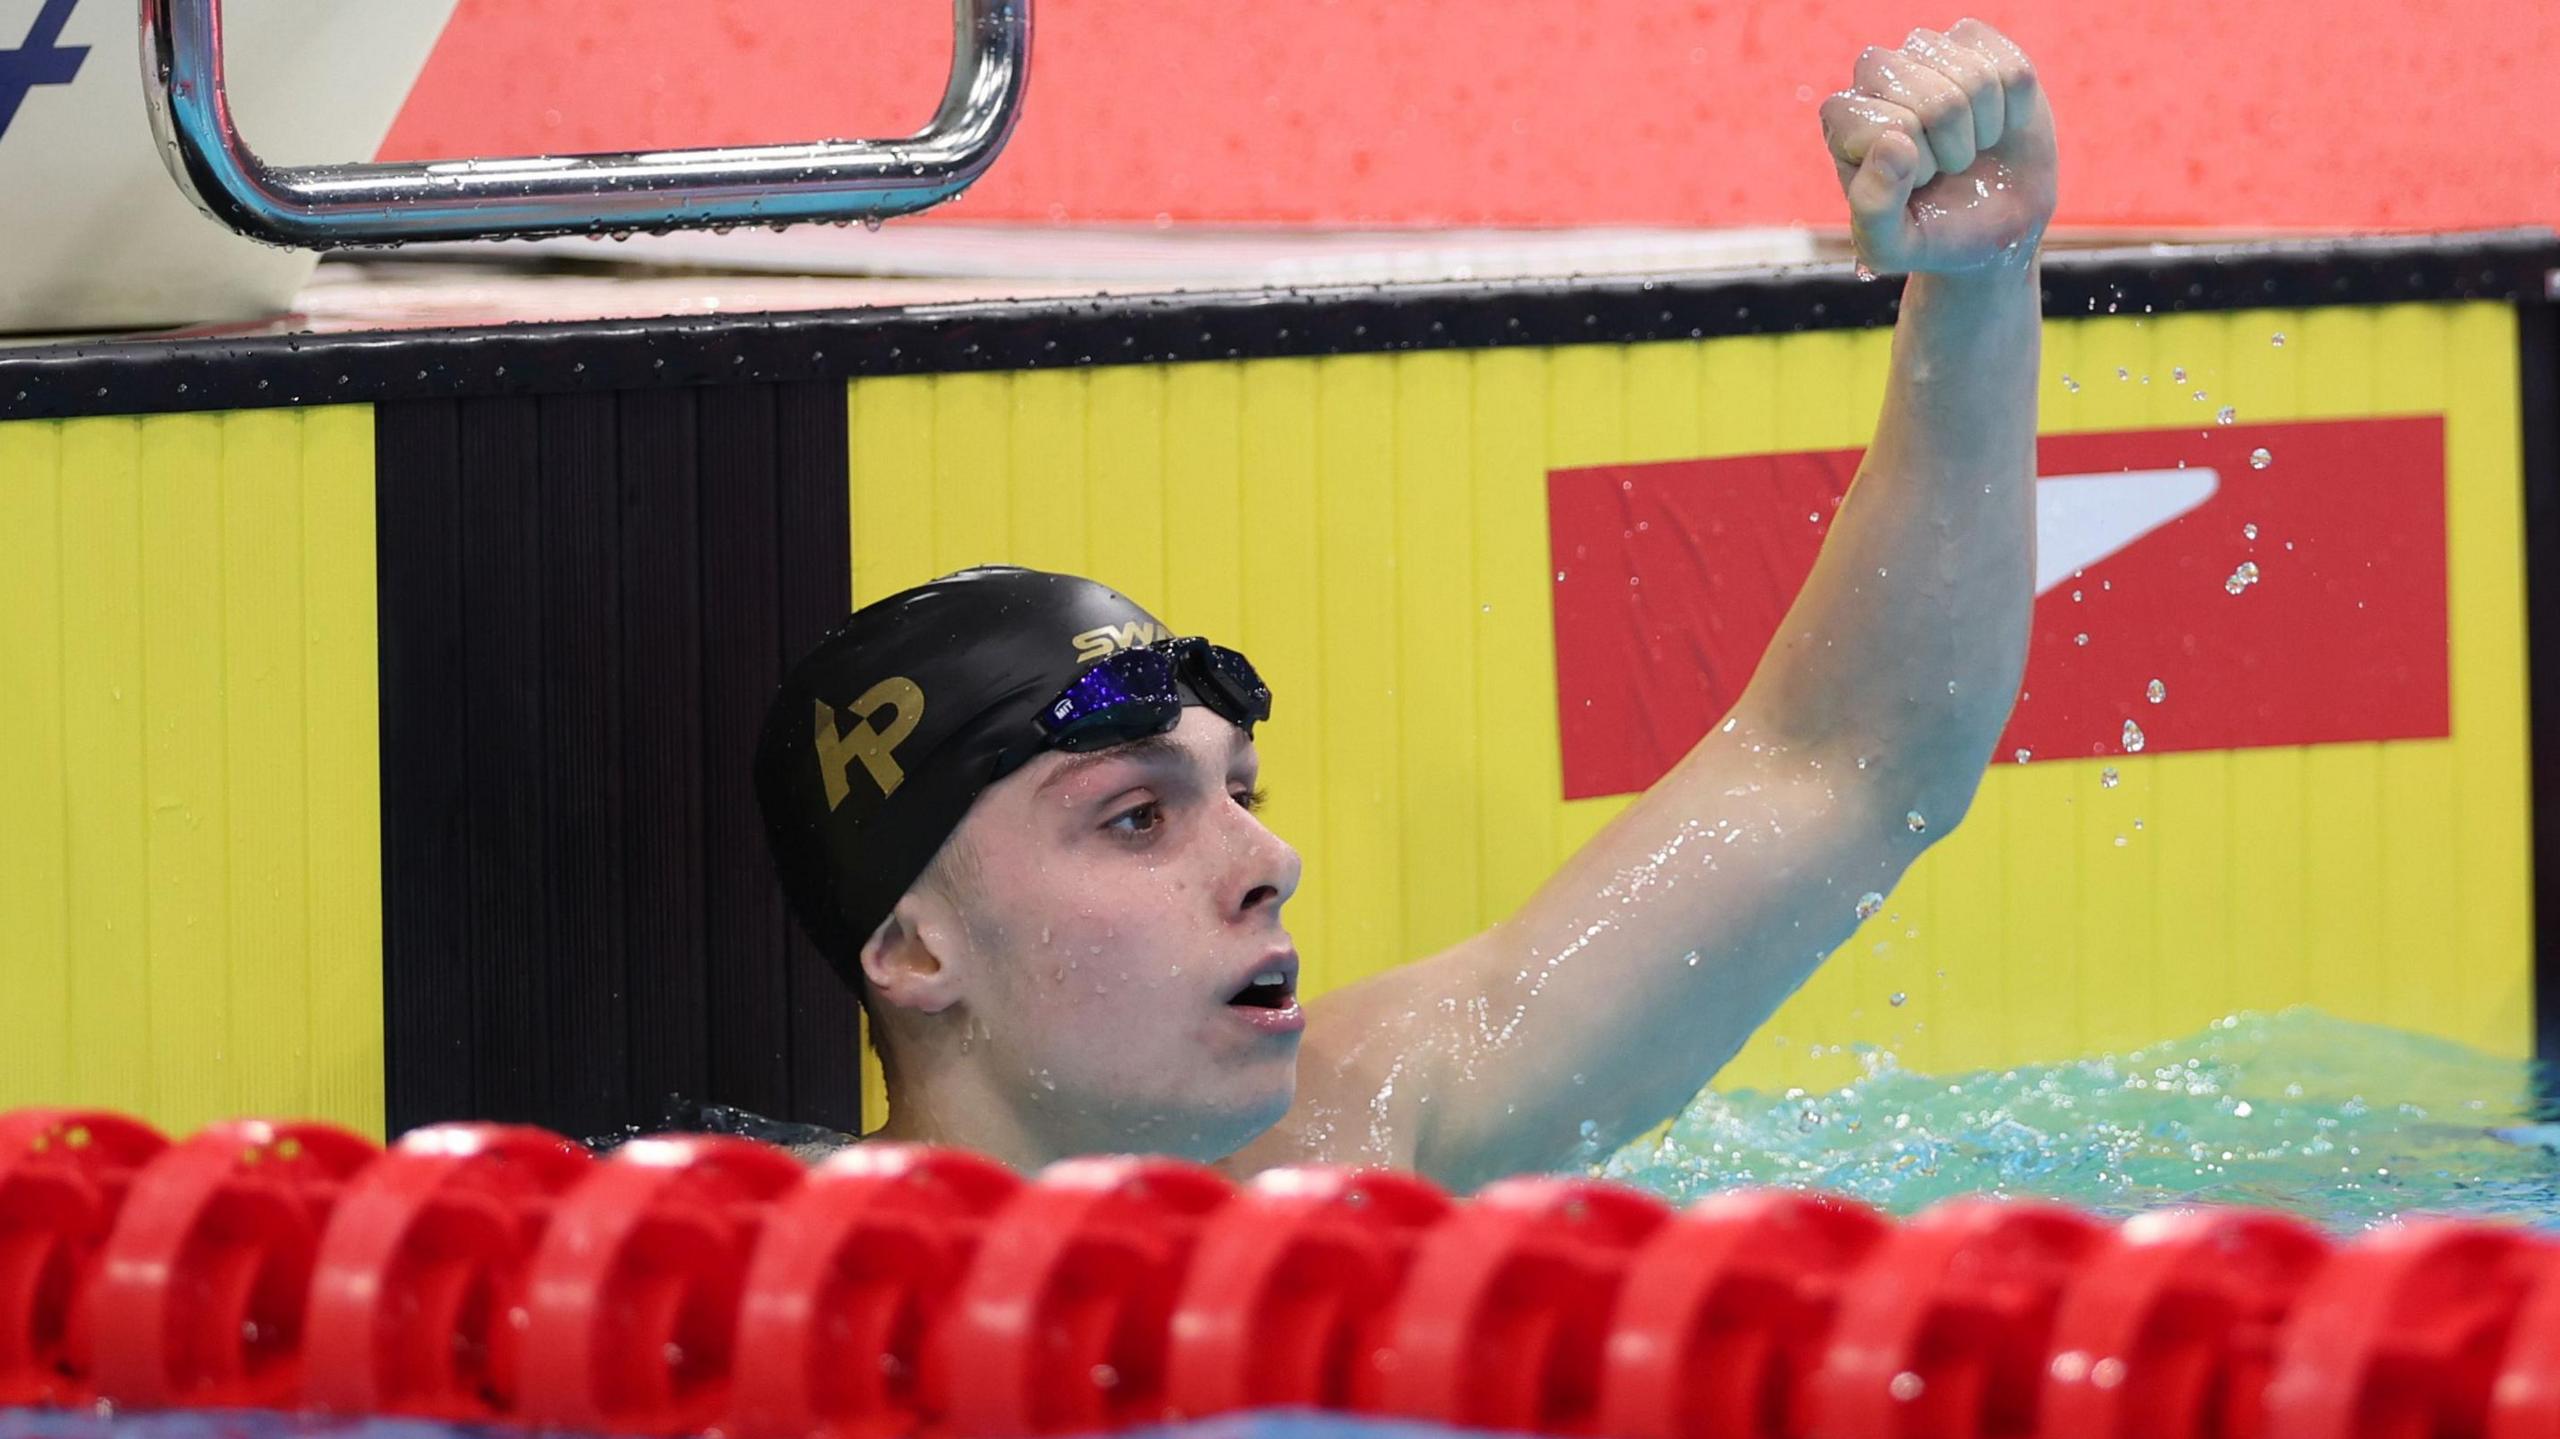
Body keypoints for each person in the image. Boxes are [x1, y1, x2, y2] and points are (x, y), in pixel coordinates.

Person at [752, 17, 2056, 1189]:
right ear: (919, 953)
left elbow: (1848, 766)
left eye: (1240, 794)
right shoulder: (756, 1277)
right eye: (1137, 818)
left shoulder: (1363, 1138)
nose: (1270, 866)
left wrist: (1979, 288)